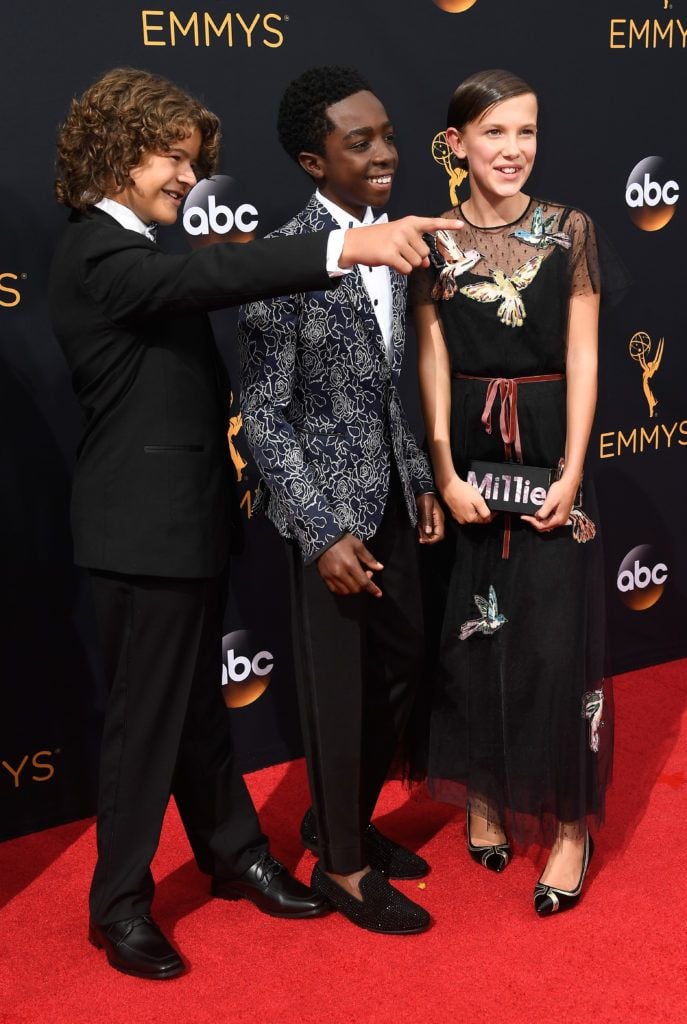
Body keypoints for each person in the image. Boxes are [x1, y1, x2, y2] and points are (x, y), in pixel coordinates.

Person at [48, 66, 458, 979]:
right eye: (173, 161)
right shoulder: (95, 254)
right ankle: (117, 906)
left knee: (198, 714)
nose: (188, 182)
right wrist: (348, 249)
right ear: (119, 154)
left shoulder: (135, 250)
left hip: (188, 521)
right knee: (145, 727)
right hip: (137, 531)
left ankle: (233, 855)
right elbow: (224, 271)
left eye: (193, 164)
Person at [239, 66, 445, 935]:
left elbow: (384, 390)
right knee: (335, 690)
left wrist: (422, 479)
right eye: (358, 142)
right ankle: (344, 869)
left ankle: (340, 820)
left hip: (394, 494)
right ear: (311, 160)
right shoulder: (284, 260)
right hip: (326, 514)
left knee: (402, 667)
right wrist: (321, 529)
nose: (385, 153)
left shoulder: (397, 244)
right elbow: (264, 414)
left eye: (387, 134)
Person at [413, 69, 613, 916]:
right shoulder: (432, 239)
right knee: (471, 632)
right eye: (494, 133)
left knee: (554, 644)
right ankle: (486, 793)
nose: (513, 150)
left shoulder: (571, 229)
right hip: (467, 450)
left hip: (548, 448)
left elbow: (583, 355)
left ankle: (570, 826)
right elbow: (427, 354)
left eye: (525, 132)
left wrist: (571, 471)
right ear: (455, 144)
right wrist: (444, 469)